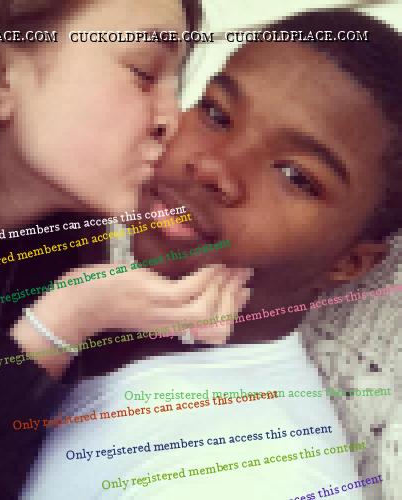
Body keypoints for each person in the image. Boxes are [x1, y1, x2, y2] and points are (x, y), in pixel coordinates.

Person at [23, 8, 401, 499]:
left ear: (348, 262)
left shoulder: (261, 477)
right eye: (217, 115)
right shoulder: (59, 270)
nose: (211, 167)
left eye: (294, 176)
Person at [0, 1, 248, 498]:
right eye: (144, 73)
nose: (172, 121)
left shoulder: (55, 256)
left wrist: (77, 315)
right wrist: (59, 326)